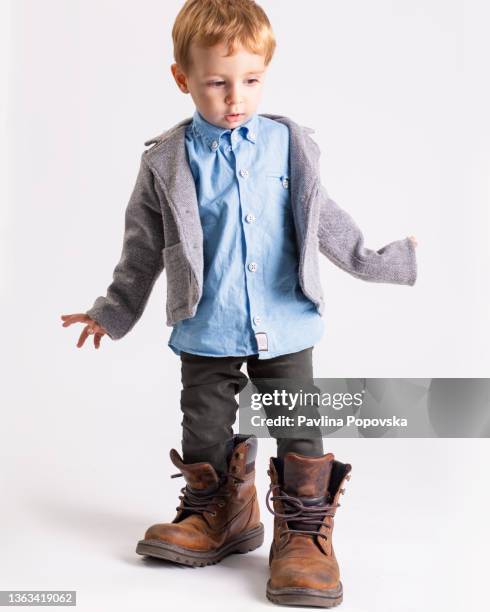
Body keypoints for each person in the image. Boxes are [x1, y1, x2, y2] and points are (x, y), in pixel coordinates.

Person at [61, 0, 418, 607]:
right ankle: (218, 513)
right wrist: (112, 311)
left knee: (297, 423)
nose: (235, 97)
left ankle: (302, 534)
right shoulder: (165, 161)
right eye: (217, 83)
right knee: (203, 425)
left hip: (284, 319)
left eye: (250, 81)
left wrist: (386, 259)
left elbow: (325, 221)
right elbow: (143, 247)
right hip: (206, 322)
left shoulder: (289, 144)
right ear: (183, 79)